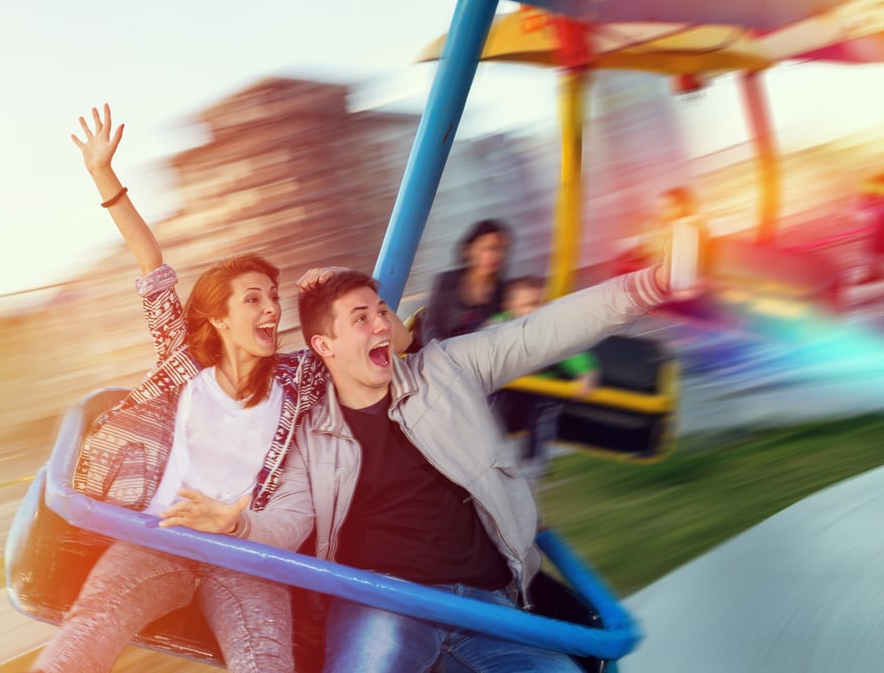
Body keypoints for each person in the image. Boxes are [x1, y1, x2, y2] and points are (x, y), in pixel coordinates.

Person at [37, 105, 412, 673]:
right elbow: (150, 259)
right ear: (217, 318)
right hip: (158, 539)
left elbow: (394, 342)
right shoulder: (181, 361)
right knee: (93, 622)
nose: (270, 308)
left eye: (272, 295)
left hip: (242, 553)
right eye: (253, 298)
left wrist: (339, 281)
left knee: (264, 660)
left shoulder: (300, 376)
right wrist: (102, 175)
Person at [219, 258, 677, 673]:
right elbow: (287, 520)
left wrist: (648, 285)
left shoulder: (446, 369)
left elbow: (540, 332)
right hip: (386, 603)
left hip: (486, 607)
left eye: (381, 311)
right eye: (361, 319)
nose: (381, 324)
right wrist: (237, 526)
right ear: (324, 345)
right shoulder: (311, 436)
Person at [486, 276, 600, 481]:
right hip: (509, 388)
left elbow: (572, 351)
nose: (533, 310)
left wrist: (586, 375)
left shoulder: (549, 329)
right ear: (510, 307)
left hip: (541, 388)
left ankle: (532, 463)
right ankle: (489, 458)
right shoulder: (498, 325)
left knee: (541, 412)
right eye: (527, 305)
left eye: (538, 304)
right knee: (490, 408)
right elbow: (477, 347)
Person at [419, 219, 512, 345]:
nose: (495, 255)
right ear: (468, 250)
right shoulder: (446, 282)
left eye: (501, 249)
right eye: (488, 248)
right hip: (441, 351)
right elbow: (431, 325)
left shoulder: (504, 292)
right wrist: (438, 352)